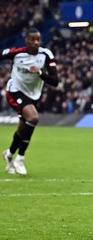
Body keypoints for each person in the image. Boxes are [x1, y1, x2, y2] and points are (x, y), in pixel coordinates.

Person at [1, 28, 59, 176]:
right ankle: (20, 158)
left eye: (38, 40)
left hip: (34, 95)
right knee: (33, 118)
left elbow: (55, 81)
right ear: (26, 40)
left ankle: (9, 154)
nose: (35, 42)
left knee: (22, 127)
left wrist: (40, 72)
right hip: (15, 90)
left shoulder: (46, 55)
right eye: (32, 39)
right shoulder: (16, 53)